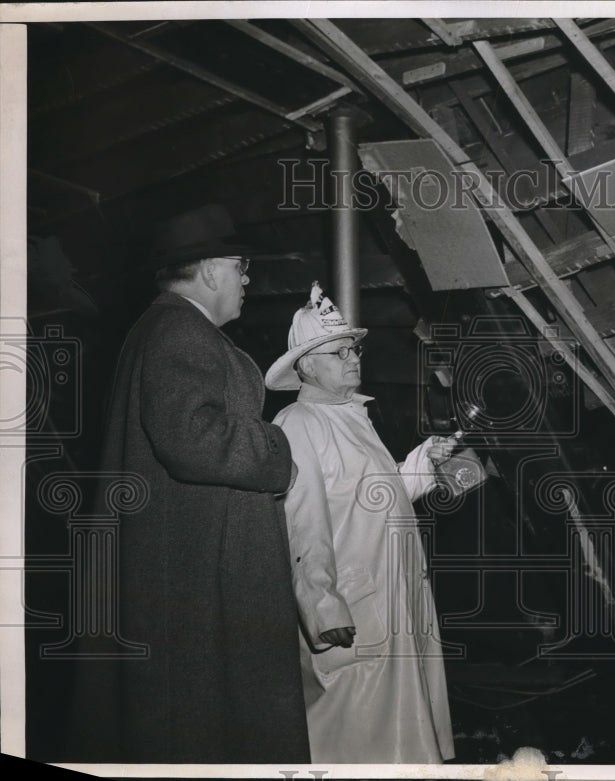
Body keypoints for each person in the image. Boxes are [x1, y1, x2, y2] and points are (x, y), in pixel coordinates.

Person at [76, 204, 310, 763]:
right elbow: (192, 438)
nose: (247, 280)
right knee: (204, 730)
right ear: (210, 271)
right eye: (242, 267)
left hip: (193, 571)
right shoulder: (180, 331)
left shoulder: (166, 328)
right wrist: (279, 453)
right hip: (199, 582)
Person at [265, 283, 457, 763]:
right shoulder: (299, 423)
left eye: (354, 348)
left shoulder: (352, 415)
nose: (352, 358)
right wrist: (321, 606)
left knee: (398, 741)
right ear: (306, 365)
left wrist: (420, 463)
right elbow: (301, 522)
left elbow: (375, 499)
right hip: (353, 609)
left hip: (390, 601)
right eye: (338, 352)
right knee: (355, 739)